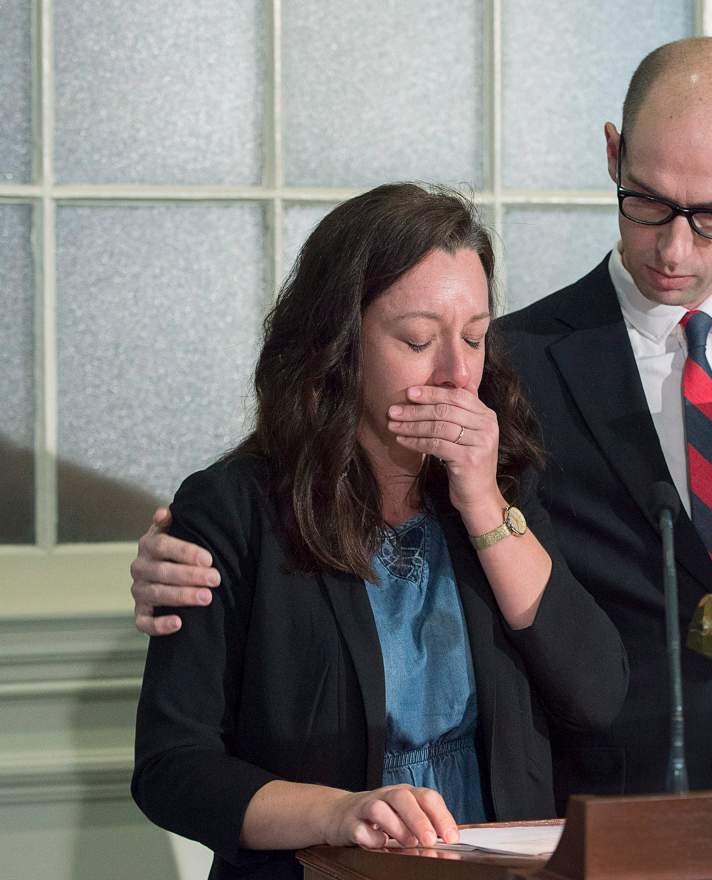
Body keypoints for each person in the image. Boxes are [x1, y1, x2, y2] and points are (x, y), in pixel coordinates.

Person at [131, 38, 712, 800]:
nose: (675, 247)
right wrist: (189, 558)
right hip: (610, 793)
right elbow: (370, 521)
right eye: (649, 202)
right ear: (614, 154)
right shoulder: (503, 361)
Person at [131, 183, 627, 879]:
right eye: (418, 340)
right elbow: (171, 768)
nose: (458, 374)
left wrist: (484, 505)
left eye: (476, 337)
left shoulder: (501, 482)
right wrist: (338, 812)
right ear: (342, 344)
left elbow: (598, 694)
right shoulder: (234, 508)